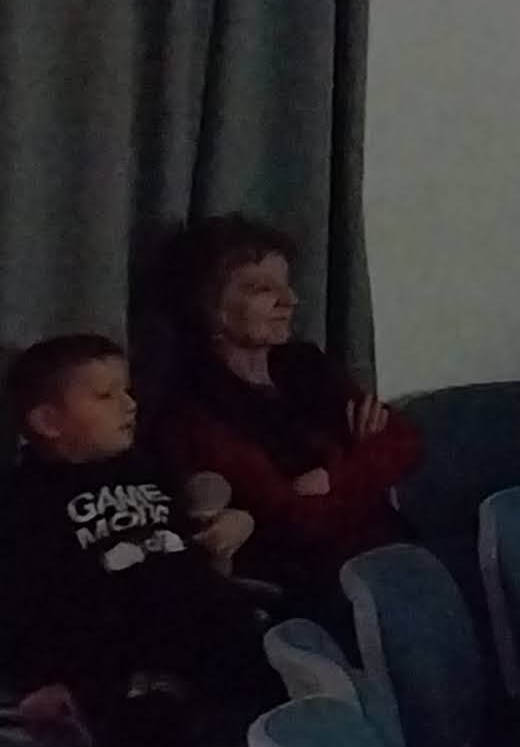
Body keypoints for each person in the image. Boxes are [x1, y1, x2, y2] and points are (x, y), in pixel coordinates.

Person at [3, 333, 272, 747]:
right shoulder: (23, 502)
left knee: (296, 667)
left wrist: (226, 539)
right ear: (47, 421)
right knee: (145, 729)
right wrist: (35, 680)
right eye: (104, 396)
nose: (128, 405)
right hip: (114, 659)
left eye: (126, 391)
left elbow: (186, 558)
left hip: (201, 632)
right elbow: (19, 607)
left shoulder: (145, 470)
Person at [147, 213, 423, 599]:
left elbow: (404, 440)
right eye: (263, 289)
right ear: (209, 306)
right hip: (312, 578)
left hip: (388, 549)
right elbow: (295, 520)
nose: (290, 300)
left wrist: (335, 478)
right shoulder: (195, 408)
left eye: (287, 285)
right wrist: (361, 456)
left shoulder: (303, 364)